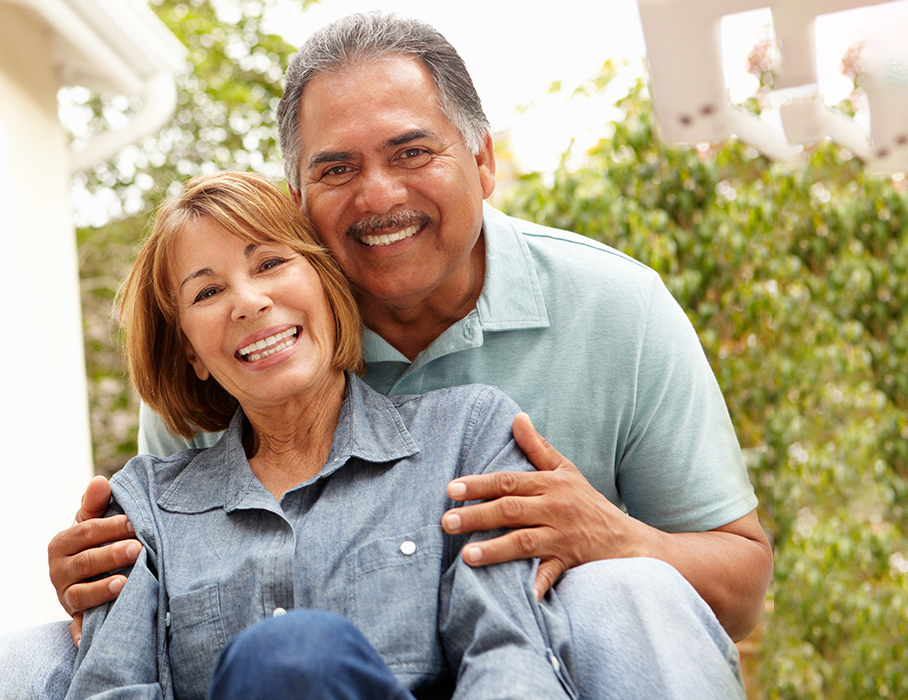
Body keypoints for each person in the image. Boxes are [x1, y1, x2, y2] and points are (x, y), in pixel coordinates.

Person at [0, 11, 767, 700]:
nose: (378, 195)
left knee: (621, 590)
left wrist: (614, 536)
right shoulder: (226, 377)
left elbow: (734, 582)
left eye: (412, 152)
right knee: (25, 658)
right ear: (299, 205)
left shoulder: (604, 313)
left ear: (484, 161)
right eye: (337, 169)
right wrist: (106, 584)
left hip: (546, 656)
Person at [68, 170, 570, 699]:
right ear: (191, 351)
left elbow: (511, 655)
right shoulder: (142, 509)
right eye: (208, 291)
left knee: (298, 652)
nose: (248, 301)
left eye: (270, 262)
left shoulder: (470, 436)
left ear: (325, 285)